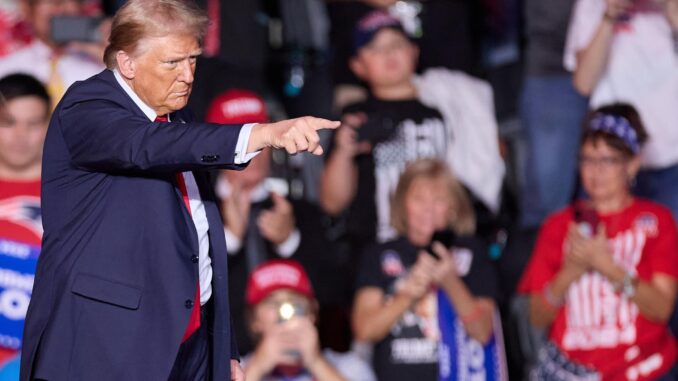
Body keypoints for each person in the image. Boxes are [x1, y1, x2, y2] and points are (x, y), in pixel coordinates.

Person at [19, 0, 339, 380]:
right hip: (105, 347)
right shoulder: (87, 106)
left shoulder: (177, 118)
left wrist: (223, 350)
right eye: (172, 62)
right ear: (127, 63)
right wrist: (264, 132)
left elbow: (199, 243)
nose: (187, 75)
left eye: (193, 59)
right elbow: (144, 147)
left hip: (190, 350)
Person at [320, 10, 504, 252]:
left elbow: (485, 158)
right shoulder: (355, 117)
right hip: (381, 252)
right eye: (375, 48)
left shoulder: (447, 105)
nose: (388, 54)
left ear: (414, 52)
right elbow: (332, 203)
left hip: (447, 244)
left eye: (397, 44)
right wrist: (344, 153)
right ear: (358, 66)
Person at [519, 104, 678, 380]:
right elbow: (536, 316)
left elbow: (662, 309)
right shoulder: (558, 225)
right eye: (588, 160)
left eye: (608, 160)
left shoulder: (656, 221)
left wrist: (609, 267)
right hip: (574, 372)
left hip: (646, 371)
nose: (596, 171)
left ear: (632, 163)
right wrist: (571, 271)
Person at [352, 159, 503, 380]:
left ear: (453, 208)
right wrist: (407, 295)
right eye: (418, 199)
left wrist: (450, 281)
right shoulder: (379, 254)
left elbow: (482, 333)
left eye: (439, 200)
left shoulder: (471, 252)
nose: (428, 210)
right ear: (402, 204)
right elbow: (364, 330)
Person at [564, 0, 678, 220]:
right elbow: (583, 83)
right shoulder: (591, 4)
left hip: (671, 155)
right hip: (612, 160)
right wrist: (609, 17)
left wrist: (667, 7)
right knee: (607, 244)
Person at [242, 259, 376, 381]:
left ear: (312, 312)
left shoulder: (350, 366)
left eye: (294, 301)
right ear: (254, 319)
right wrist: (257, 368)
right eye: (272, 302)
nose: (284, 313)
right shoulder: (234, 369)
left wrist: (316, 362)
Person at [0, 73, 50, 368]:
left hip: (37, 363)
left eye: (33, 124)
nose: (21, 136)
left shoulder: (71, 193)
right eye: (8, 123)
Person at [0, 0, 105, 104]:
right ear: (29, 9)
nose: (59, 10)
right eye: (52, 2)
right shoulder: (5, 68)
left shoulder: (103, 65)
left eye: (68, 2)